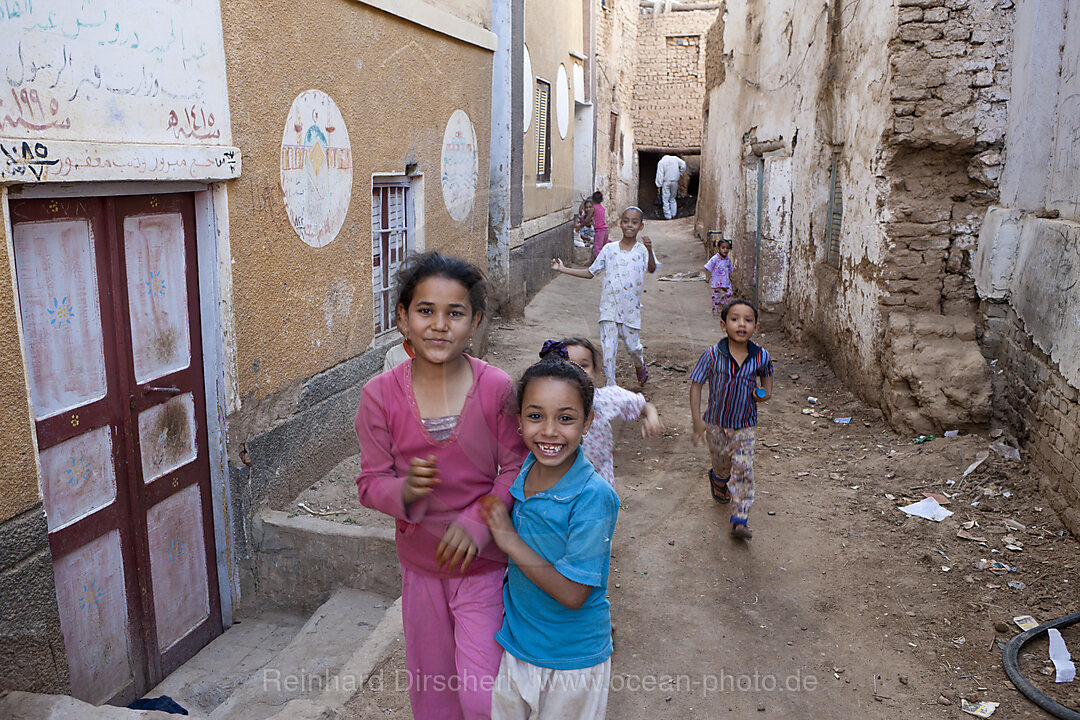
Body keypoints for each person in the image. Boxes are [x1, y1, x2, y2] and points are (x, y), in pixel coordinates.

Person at [355, 251, 528, 720]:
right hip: (421, 570)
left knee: (481, 695)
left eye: (455, 313)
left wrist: (479, 520)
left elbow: (516, 469)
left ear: (473, 323)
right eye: (425, 310)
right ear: (402, 320)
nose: (439, 325)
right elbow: (370, 483)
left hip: (485, 568)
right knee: (433, 695)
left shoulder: (496, 389)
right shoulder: (379, 397)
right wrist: (405, 491)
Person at [479, 344, 619, 720]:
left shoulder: (593, 497)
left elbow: (574, 593)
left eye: (566, 418)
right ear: (519, 421)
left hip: (571, 659)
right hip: (519, 645)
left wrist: (509, 540)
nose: (550, 431)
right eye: (536, 416)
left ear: (588, 422)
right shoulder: (525, 470)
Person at [688, 299, 773, 539]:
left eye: (748, 320)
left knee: (744, 469)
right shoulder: (712, 355)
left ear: (756, 327)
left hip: (745, 426)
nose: (741, 324)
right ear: (724, 325)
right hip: (715, 424)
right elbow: (696, 385)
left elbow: (767, 387)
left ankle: (739, 519)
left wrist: (761, 395)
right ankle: (717, 480)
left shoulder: (761, 357)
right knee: (722, 465)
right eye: (735, 319)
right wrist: (697, 421)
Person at [551, 207, 658, 387]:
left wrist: (649, 248)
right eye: (625, 221)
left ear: (641, 226)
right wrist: (562, 269)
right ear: (621, 222)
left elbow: (652, 269)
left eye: (634, 222)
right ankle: (611, 387)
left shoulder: (642, 250)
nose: (629, 225)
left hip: (630, 311)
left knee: (633, 347)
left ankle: (639, 365)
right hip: (609, 309)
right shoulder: (609, 249)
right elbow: (591, 272)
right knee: (609, 351)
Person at [561, 337, 664, 486]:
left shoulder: (605, 399)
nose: (577, 370)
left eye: (584, 365)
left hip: (599, 483)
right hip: (561, 484)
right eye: (569, 364)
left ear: (595, 370)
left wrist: (652, 416)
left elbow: (644, 406)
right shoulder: (547, 405)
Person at [704, 237, 734, 316]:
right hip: (717, 281)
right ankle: (715, 309)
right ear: (718, 248)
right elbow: (707, 267)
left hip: (725, 281)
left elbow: (730, 269)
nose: (725, 250)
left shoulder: (728, 259)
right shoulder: (715, 259)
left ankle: (722, 302)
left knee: (729, 293)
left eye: (727, 248)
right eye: (723, 248)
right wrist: (707, 277)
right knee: (715, 296)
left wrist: (730, 277)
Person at [655, 154, 687, 220]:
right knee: (672, 198)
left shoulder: (661, 162)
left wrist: (659, 185)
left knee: (665, 199)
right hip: (675, 181)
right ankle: (673, 214)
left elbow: (660, 174)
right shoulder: (675, 159)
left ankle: (668, 216)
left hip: (666, 182)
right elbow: (683, 164)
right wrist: (681, 173)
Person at [590, 191, 609, 259]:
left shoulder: (593, 208)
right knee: (604, 247)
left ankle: (598, 263)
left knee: (597, 248)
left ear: (592, 199)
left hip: (599, 231)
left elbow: (587, 219)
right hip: (605, 230)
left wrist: (582, 224)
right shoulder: (602, 208)